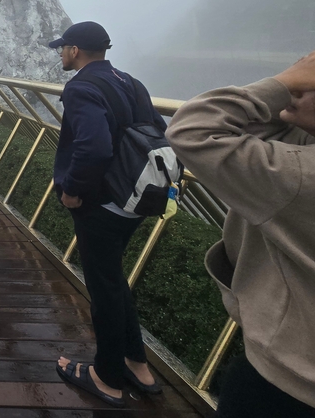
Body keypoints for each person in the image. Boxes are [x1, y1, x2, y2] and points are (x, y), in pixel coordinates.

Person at [166, 52, 315, 417]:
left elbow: (192, 130)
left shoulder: (297, 176)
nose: (297, 88)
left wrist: (281, 83)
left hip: (288, 382)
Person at [48, 21, 162, 408]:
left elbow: (93, 148)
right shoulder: (130, 81)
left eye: (62, 48)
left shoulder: (80, 87)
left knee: (103, 288)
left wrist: (73, 192)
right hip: (136, 198)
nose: (60, 54)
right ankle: (137, 363)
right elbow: (157, 130)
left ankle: (107, 377)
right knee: (113, 278)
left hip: (102, 203)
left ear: (75, 50)